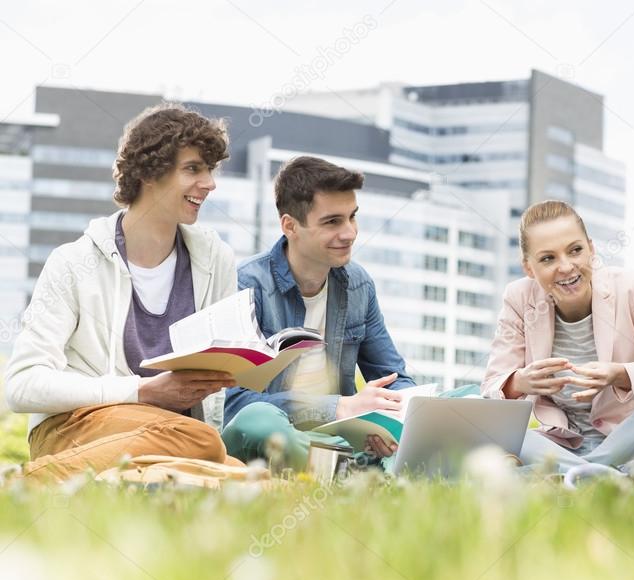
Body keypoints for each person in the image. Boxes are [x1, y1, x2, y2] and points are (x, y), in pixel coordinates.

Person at [4, 104, 240, 484]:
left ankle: (123, 484)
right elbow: (22, 384)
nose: (210, 183)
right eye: (193, 168)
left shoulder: (216, 260)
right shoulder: (73, 262)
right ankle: (22, 482)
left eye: (210, 170)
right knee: (201, 442)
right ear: (150, 173)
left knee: (245, 476)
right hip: (75, 425)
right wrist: (142, 390)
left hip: (172, 436)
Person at [220, 156, 415, 465]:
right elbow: (235, 405)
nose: (350, 232)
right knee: (258, 419)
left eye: (352, 217)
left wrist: (395, 411)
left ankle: (349, 469)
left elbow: (394, 377)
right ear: (290, 226)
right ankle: (343, 473)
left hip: (341, 439)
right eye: (332, 222)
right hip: (273, 440)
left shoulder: (359, 285)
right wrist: (339, 407)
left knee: (462, 399)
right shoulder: (246, 286)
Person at [482, 200, 634, 472]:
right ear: (528, 267)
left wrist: (619, 374)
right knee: (485, 423)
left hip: (626, 437)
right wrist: (519, 382)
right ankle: (608, 475)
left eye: (575, 251)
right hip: (556, 442)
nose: (566, 267)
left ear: (591, 249)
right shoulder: (518, 298)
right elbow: (492, 387)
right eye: (548, 258)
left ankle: (570, 474)